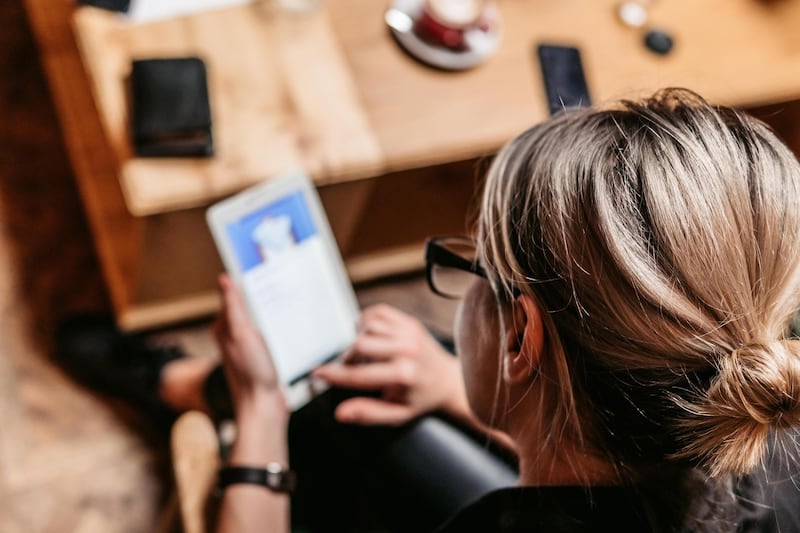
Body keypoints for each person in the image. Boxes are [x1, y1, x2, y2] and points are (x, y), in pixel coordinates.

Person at [58, 88, 800, 532]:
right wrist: (450, 386)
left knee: (317, 403)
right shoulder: (751, 416)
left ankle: (201, 390)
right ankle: (187, 386)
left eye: (477, 267)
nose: (467, 284)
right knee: (374, 373)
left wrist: (258, 415)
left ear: (522, 337)